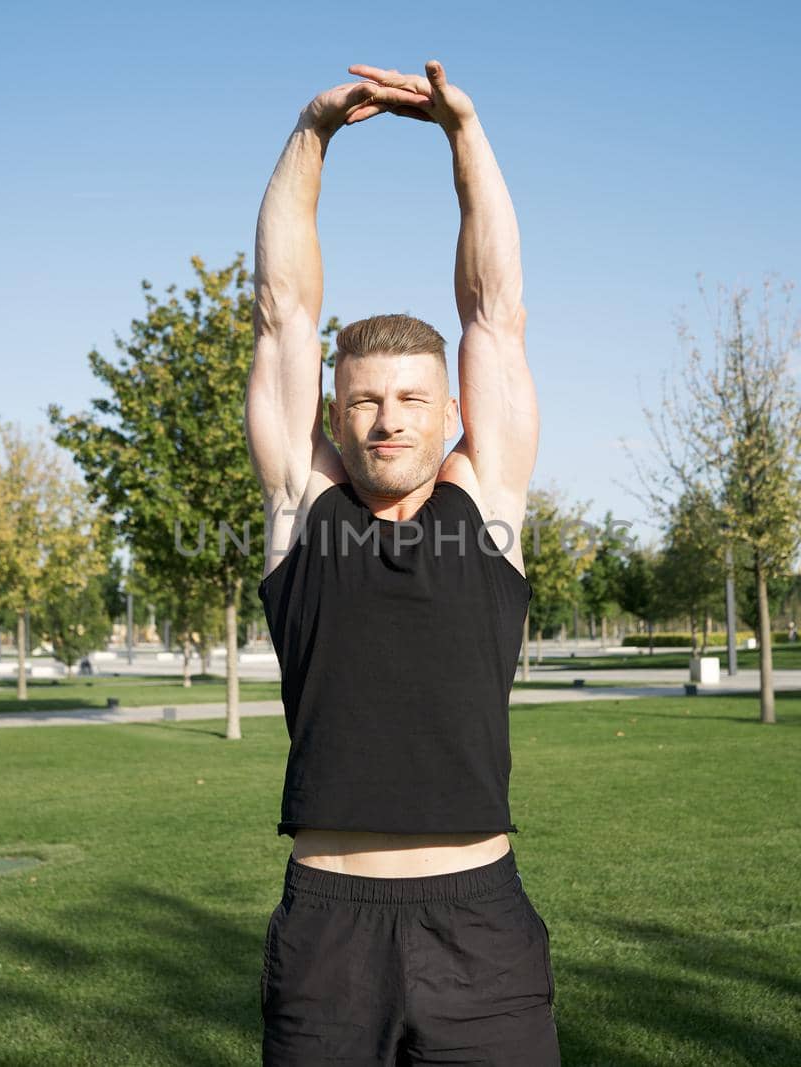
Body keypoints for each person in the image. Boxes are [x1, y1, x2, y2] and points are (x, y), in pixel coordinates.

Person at [249, 60, 555, 1065]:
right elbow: (283, 311)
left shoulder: (488, 501)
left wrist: (463, 132)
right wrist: (310, 133)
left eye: (412, 398)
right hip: (328, 933)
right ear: (337, 413)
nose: (387, 418)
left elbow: (493, 308)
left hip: (481, 929)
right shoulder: (304, 503)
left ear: (451, 410)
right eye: (365, 400)